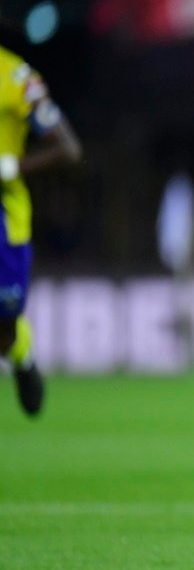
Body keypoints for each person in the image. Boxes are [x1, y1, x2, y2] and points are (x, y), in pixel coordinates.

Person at [0, 45, 82, 418]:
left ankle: (19, 350)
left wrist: (10, 167)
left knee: (4, 329)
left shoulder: (16, 78)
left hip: (5, 217)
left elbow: (68, 148)